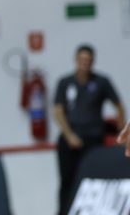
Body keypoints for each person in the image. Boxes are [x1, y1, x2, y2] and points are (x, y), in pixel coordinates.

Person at [53, 44, 125, 215]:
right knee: (67, 181)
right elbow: (58, 111)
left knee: (93, 180)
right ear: (76, 60)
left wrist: (121, 134)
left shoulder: (101, 82)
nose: (85, 63)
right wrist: (69, 135)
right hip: (70, 140)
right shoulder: (65, 82)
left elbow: (119, 106)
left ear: (93, 61)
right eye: (82, 60)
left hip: (94, 139)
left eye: (88, 60)